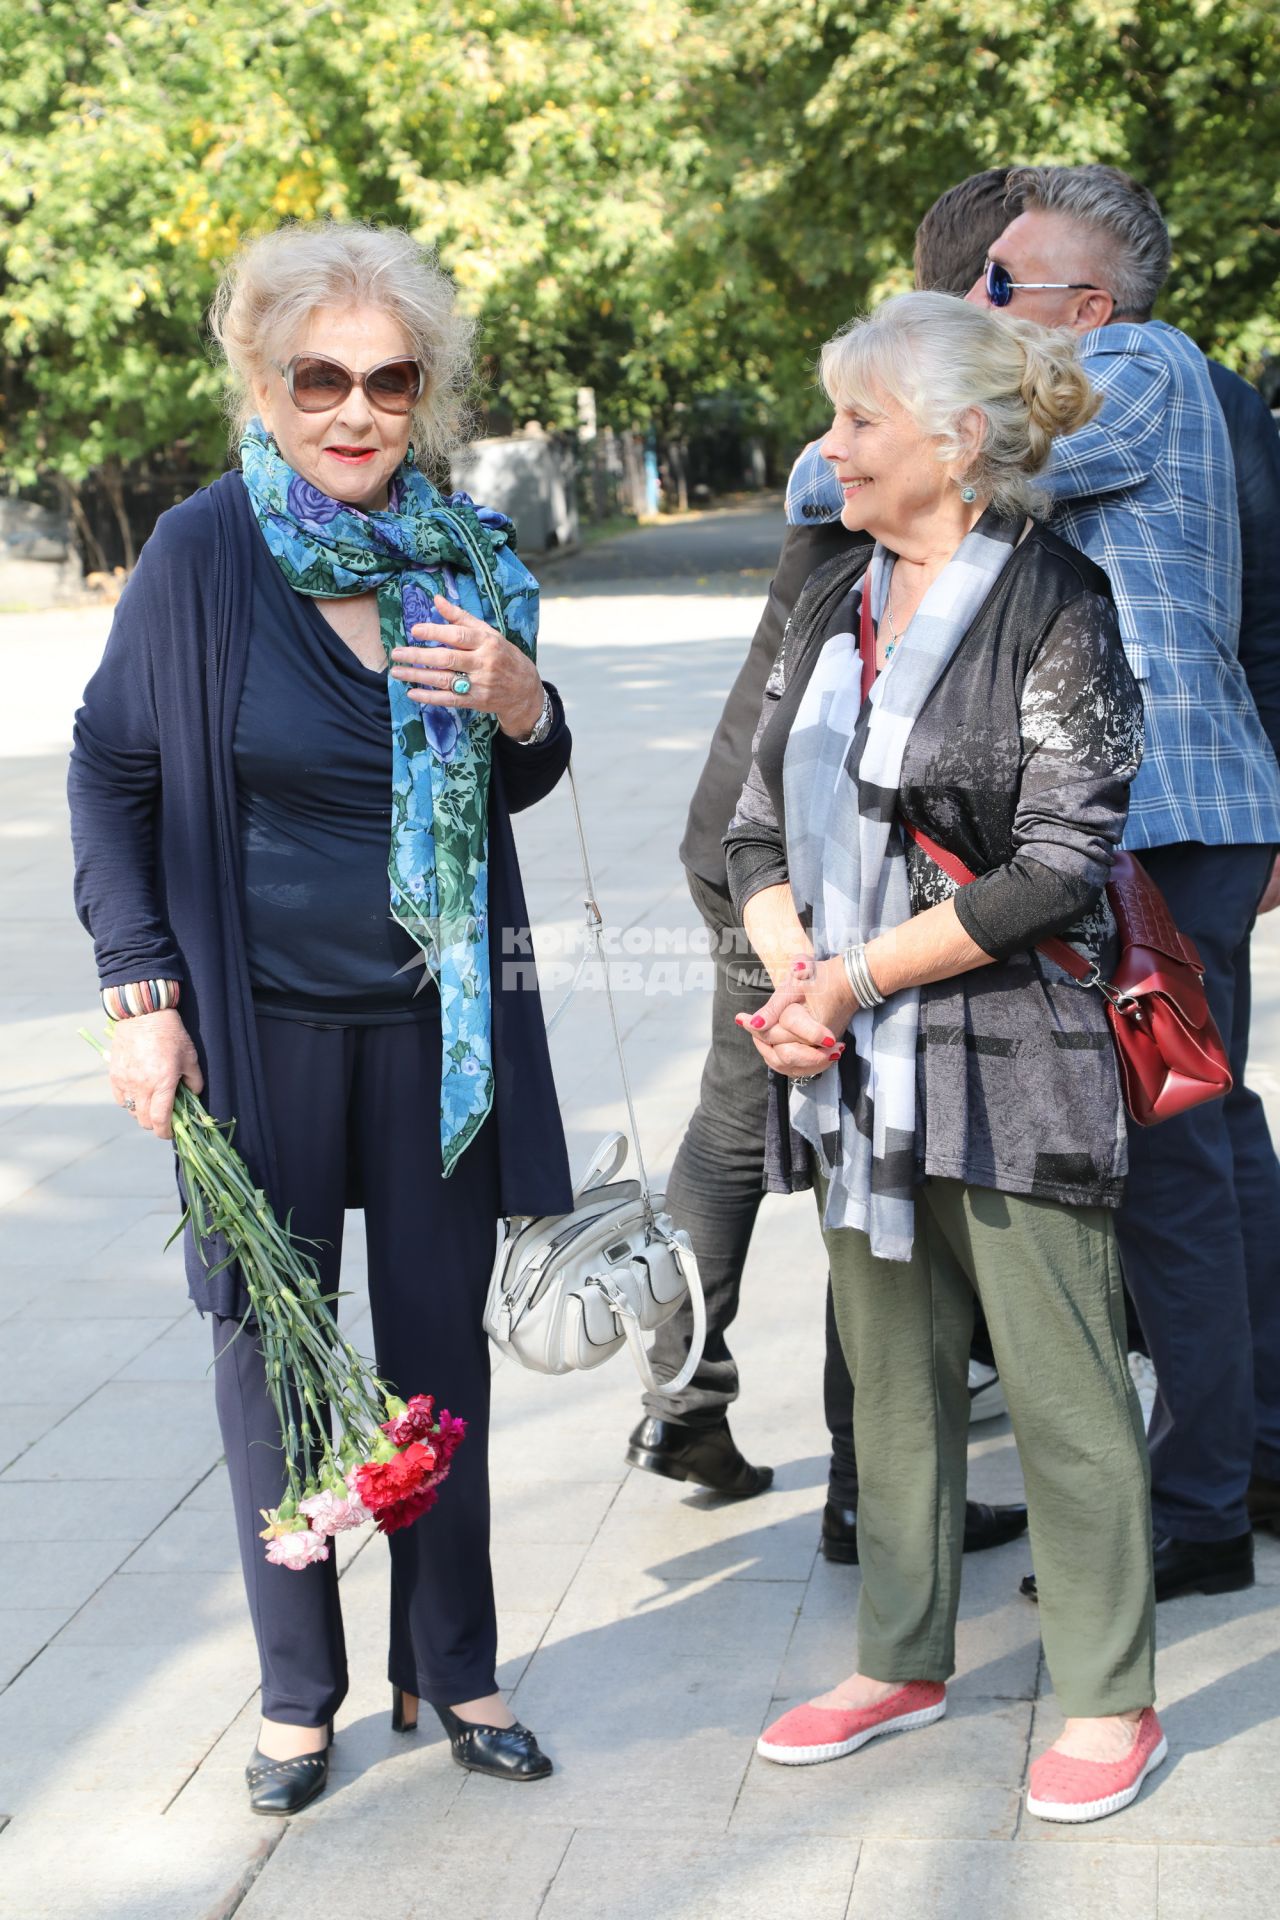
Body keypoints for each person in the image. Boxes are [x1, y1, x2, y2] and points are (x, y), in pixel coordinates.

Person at [68, 222, 574, 1815]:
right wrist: (140, 990)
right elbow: (111, 771)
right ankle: (301, 1694)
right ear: (265, 382)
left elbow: (528, 772)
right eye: (321, 379)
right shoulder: (202, 552)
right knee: (275, 1357)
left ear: (426, 392)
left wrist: (520, 698)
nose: (356, 410)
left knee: (440, 1363)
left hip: (439, 1038)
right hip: (256, 1032)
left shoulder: (468, 556)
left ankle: (458, 1660)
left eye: (389, 380)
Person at [728, 292, 1163, 1825]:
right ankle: (899, 1658)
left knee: (1059, 1385)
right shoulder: (832, 588)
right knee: (893, 1382)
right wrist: (795, 980)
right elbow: (751, 822)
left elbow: (1060, 864)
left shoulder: (1058, 601)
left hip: (1010, 1045)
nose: (828, 447)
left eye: (857, 421)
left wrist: (846, 979)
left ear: (957, 442)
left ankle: (1110, 1691)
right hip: (847, 1056)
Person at [628, 165, 1028, 1572]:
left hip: (772, 838)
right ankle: (865, 1483)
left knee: (757, 1131)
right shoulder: (891, 437)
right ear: (987, 297)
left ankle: (695, 1396)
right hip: (794, 854)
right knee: (863, 1150)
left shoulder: (906, 432)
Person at [966, 165, 1280, 1598]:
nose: (978, 302)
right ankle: (1232, 1466)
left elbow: (942, 459)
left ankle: (1199, 1507)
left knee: (1165, 1170)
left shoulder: (1137, 365)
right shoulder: (1139, 373)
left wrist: (892, 393)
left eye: (1000, 286)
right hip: (1162, 819)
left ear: (1087, 307)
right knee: (1195, 1157)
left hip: (1152, 822)